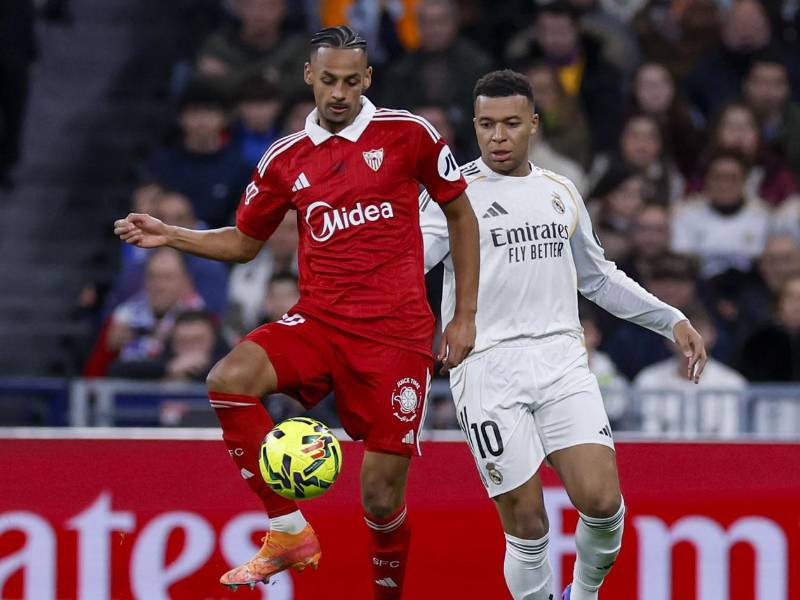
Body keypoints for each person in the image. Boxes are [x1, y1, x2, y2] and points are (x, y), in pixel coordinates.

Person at [115, 25, 480, 597]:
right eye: (329, 80)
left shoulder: (408, 134)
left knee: (380, 499)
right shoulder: (284, 159)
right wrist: (173, 234)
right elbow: (244, 243)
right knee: (228, 379)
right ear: (309, 76)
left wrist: (464, 315)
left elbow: (461, 215)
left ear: (368, 80)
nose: (339, 93)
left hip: (396, 337)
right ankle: (287, 530)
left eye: (351, 82)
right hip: (320, 322)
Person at [419, 70, 707, 600]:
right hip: (486, 367)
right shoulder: (452, 195)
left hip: (561, 361)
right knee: (527, 524)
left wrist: (670, 319)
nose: (498, 136)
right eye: (486, 124)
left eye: (510, 123)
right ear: (474, 126)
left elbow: (597, 278)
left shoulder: (560, 190)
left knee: (602, 502)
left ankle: (585, 593)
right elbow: (407, 264)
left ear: (533, 124)